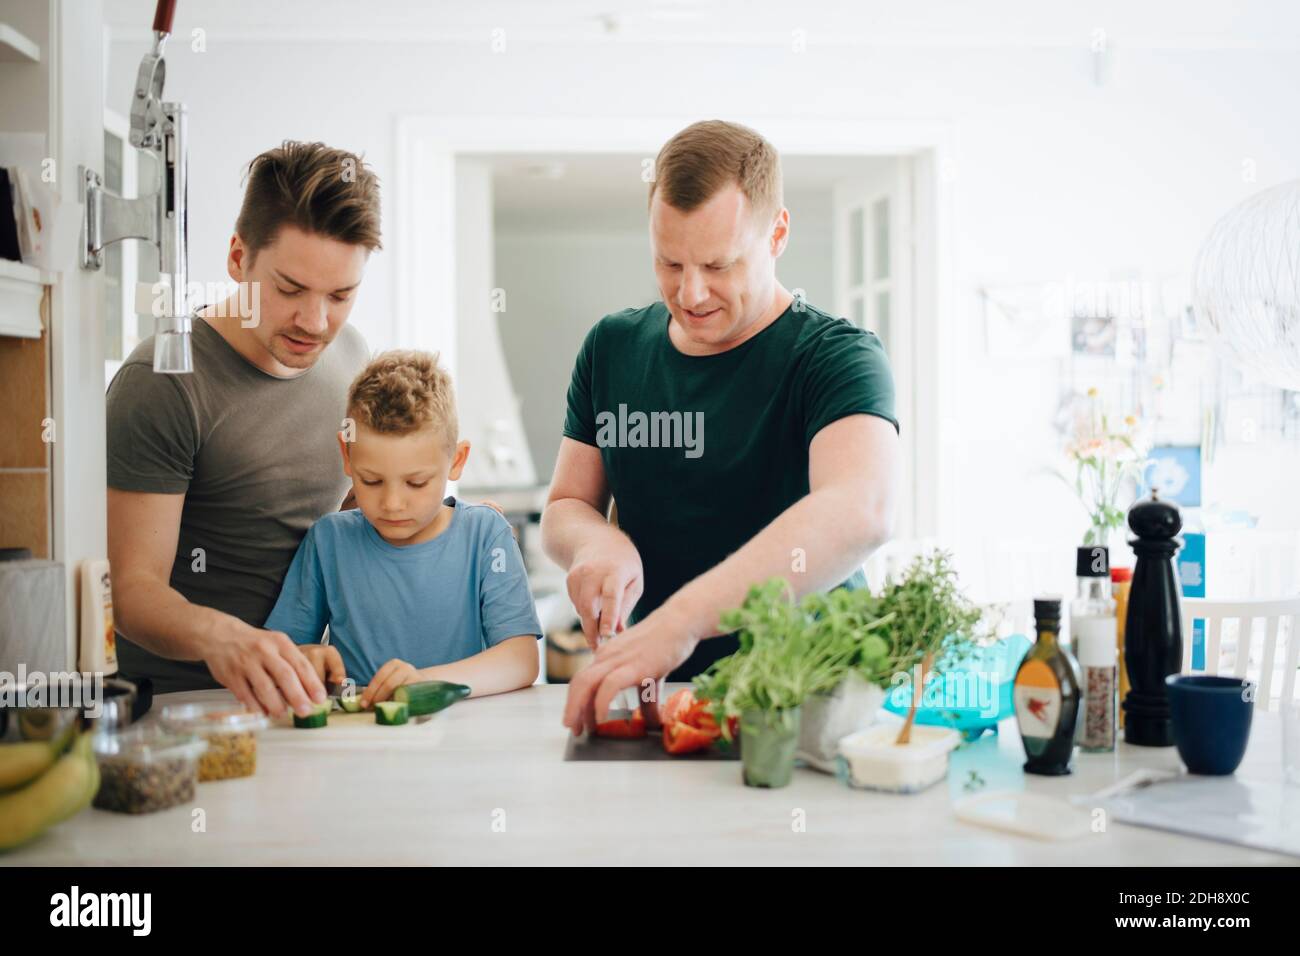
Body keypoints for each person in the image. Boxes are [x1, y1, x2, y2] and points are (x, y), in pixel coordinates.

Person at [543, 120, 900, 734]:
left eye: (719, 263)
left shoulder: (836, 357)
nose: (691, 291)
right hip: (661, 704)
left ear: (778, 233)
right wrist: (595, 541)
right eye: (669, 261)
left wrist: (679, 622)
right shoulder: (613, 347)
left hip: (804, 706)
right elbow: (568, 505)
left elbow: (861, 510)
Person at [107, 141, 379, 715]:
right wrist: (228, 639)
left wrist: (453, 529)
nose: (315, 321)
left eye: (340, 295)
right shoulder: (162, 383)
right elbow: (133, 594)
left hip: (303, 701)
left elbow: (362, 520)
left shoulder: (353, 357)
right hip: (178, 710)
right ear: (237, 257)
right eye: (289, 289)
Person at [264, 351, 542, 706]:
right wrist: (304, 657)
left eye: (416, 483)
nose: (393, 503)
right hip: (357, 741)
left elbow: (521, 660)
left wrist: (421, 682)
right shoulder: (328, 540)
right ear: (347, 457)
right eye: (372, 480)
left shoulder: (486, 535)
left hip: (459, 743)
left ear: (456, 461)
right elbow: (278, 654)